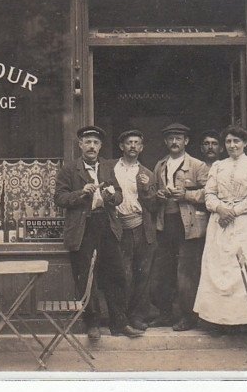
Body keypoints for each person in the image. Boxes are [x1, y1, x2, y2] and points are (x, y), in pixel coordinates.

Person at [54, 125, 145, 340]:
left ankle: (119, 323)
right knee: (86, 277)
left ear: (100, 146)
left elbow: (119, 195)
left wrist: (111, 196)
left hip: (107, 225)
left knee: (116, 275)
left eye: (95, 143)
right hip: (82, 228)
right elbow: (59, 198)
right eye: (88, 142)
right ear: (80, 145)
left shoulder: (107, 167)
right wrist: (81, 193)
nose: (91, 146)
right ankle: (92, 324)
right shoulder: (69, 169)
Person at [194, 126, 247, 334]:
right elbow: (209, 194)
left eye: (236, 141)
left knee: (243, 269)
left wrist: (233, 212)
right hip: (220, 223)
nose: (232, 145)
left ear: (245, 143)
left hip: (243, 222)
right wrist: (220, 208)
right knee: (218, 269)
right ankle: (218, 320)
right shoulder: (217, 166)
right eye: (228, 142)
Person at [149, 123, 210, 331]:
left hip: (189, 226)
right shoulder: (160, 165)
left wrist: (186, 196)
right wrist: (158, 195)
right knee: (163, 272)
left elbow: (209, 193)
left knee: (186, 274)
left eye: (179, 138)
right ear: (166, 142)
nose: (174, 142)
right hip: (165, 224)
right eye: (171, 139)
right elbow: (155, 190)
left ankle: (189, 317)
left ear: (186, 141)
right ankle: (165, 314)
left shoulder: (198, 166)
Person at [114, 129, 159, 330]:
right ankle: (120, 317)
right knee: (122, 274)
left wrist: (147, 188)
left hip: (141, 227)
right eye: (129, 142)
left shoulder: (147, 174)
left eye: (137, 143)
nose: (133, 146)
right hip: (118, 228)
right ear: (121, 146)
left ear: (141, 148)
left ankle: (136, 316)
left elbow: (154, 206)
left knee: (142, 274)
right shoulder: (110, 169)